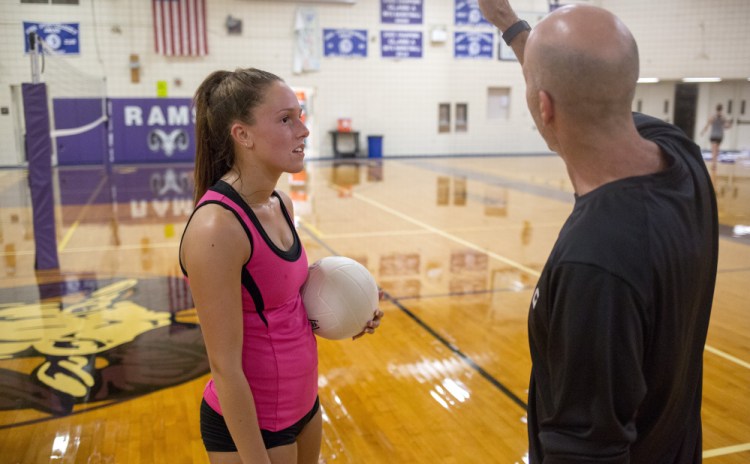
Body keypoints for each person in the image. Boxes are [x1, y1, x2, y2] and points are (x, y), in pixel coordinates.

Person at [478, 1, 718, 463]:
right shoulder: (681, 153)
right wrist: (510, 27)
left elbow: (587, 451)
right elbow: (580, 89)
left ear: (543, 107)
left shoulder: (595, 261)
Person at [179, 68, 384, 464]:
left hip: (305, 406)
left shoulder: (281, 204)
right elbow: (224, 366)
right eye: (286, 119)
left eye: (300, 115)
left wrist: (350, 311)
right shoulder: (216, 229)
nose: (303, 130)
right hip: (253, 426)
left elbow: (283, 304)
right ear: (243, 135)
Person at [700, 103, 733, 168]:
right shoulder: (723, 118)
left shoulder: (713, 117)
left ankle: (714, 163)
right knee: (716, 150)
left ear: (716, 109)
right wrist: (730, 124)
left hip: (714, 135)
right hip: (719, 135)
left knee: (714, 150)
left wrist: (703, 132)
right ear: (721, 109)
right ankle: (714, 163)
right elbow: (726, 126)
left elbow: (707, 125)